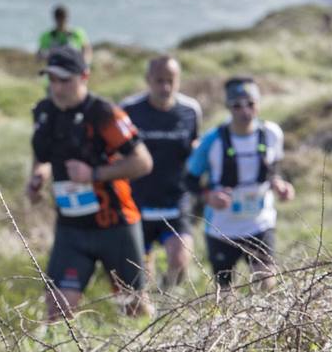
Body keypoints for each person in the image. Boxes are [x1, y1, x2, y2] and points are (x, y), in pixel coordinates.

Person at [25, 46, 153, 322]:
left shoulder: (105, 113)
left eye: (64, 80)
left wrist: (93, 174)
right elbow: (42, 155)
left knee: (132, 307)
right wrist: (38, 176)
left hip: (116, 226)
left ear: (84, 76)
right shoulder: (44, 112)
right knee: (57, 308)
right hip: (71, 228)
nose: (57, 88)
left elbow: (143, 162)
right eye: (52, 80)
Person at [185, 77, 295, 290]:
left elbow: (274, 170)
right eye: (237, 105)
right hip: (222, 228)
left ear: (259, 104)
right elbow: (189, 180)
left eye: (251, 104)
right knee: (225, 294)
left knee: (266, 284)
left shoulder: (271, 133)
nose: (245, 111)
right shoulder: (212, 140)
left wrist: (280, 185)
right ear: (228, 107)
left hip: (260, 224)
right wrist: (209, 197)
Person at [120, 56, 202, 290]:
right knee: (140, 279)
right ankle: (149, 308)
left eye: (171, 80)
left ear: (178, 80)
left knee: (180, 261)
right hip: (138, 200)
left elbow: (195, 150)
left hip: (176, 200)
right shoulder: (129, 110)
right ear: (148, 80)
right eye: (159, 81)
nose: (165, 87)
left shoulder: (191, 110)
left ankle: (168, 297)